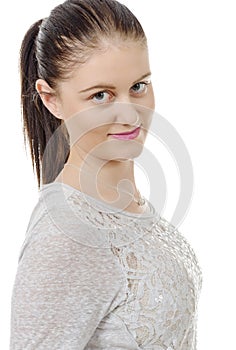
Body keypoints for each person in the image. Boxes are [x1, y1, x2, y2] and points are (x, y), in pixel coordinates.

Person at [10, 0, 202, 349]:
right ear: (51, 99)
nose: (130, 115)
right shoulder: (66, 237)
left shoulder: (124, 208)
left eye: (139, 86)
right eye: (101, 95)